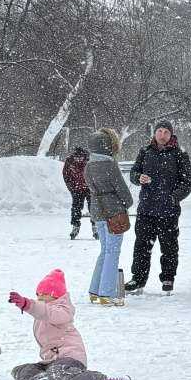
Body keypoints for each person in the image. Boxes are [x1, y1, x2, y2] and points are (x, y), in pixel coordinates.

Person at [7, 269, 132, 380]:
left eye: (45, 294)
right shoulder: (44, 308)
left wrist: (27, 304)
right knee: (20, 370)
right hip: (51, 361)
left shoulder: (63, 310)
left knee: (58, 374)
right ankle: (41, 379)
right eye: (38, 294)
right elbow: (42, 312)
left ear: (56, 296)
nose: (40, 297)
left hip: (70, 358)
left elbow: (48, 313)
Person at [125, 120, 191, 294]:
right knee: (141, 246)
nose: (162, 135)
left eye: (166, 132)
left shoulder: (179, 154)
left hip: (168, 210)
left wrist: (174, 197)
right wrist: (138, 177)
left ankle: (168, 278)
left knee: (169, 247)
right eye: (160, 131)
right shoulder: (145, 151)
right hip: (146, 209)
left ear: (171, 135)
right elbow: (134, 173)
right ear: (154, 133)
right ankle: (138, 279)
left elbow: (188, 182)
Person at [84, 128, 133, 306]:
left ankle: (95, 290)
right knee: (113, 252)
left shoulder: (89, 166)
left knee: (104, 251)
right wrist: (128, 203)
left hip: (97, 212)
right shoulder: (110, 165)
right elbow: (123, 191)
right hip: (114, 213)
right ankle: (107, 294)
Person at [63, 144, 94, 240]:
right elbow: (66, 175)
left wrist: (93, 186)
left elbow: (95, 174)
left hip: (90, 189)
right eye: (77, 158)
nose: (79, 160)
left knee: (93, 207)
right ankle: (75, 226)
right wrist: (72, 188)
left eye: (81, 158)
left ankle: (95, 226)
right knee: (76, 207)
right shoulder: (69, 161)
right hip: (76, 189)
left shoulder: (90, 161)